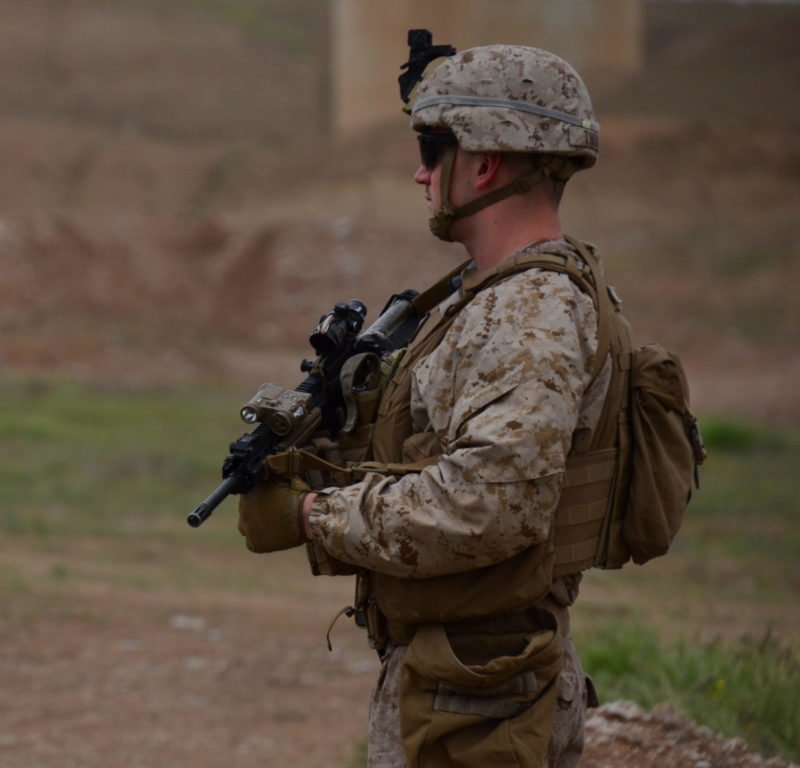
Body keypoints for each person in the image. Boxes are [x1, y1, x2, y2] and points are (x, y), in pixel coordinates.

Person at [237, 43, 613, 767]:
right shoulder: (493, 298)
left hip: (478, 699)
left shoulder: (530, 316)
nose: (418, 172)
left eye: (431, 148)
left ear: (484, 163)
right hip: (462, 678)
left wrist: (312, 516)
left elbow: (487, 508)